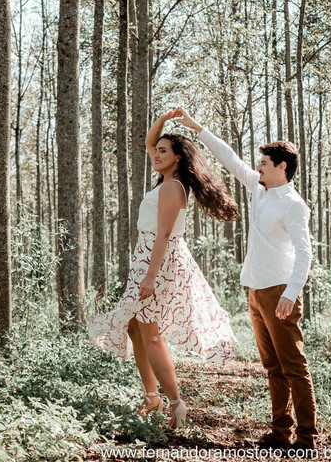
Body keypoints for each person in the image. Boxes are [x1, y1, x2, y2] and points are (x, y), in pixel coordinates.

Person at [173, 107, 318, 452]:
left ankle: (307, 439)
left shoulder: (294, 205)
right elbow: (230, 158)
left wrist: (292, 292)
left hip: (280, 291)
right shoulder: (259, 188)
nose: (258, 168)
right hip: (255, 289)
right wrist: (198, 128)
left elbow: (305, 253)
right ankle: (281, 434)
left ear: (282, 167)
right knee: (272, 366)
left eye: (265, 164)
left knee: (294, 366)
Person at [86, 108, 240, 429]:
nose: (156, 153)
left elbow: (164, 235)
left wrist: (151, 275)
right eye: (156, 150)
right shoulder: (167, 180)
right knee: (133, 327)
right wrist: (164, 120)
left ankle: (176, 404)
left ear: (178, 158)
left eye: (163, 151)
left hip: (158, 260)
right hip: (149, 255)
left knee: (151, 335)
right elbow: (149, 141)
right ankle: (152, 397)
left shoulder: (172, 188)